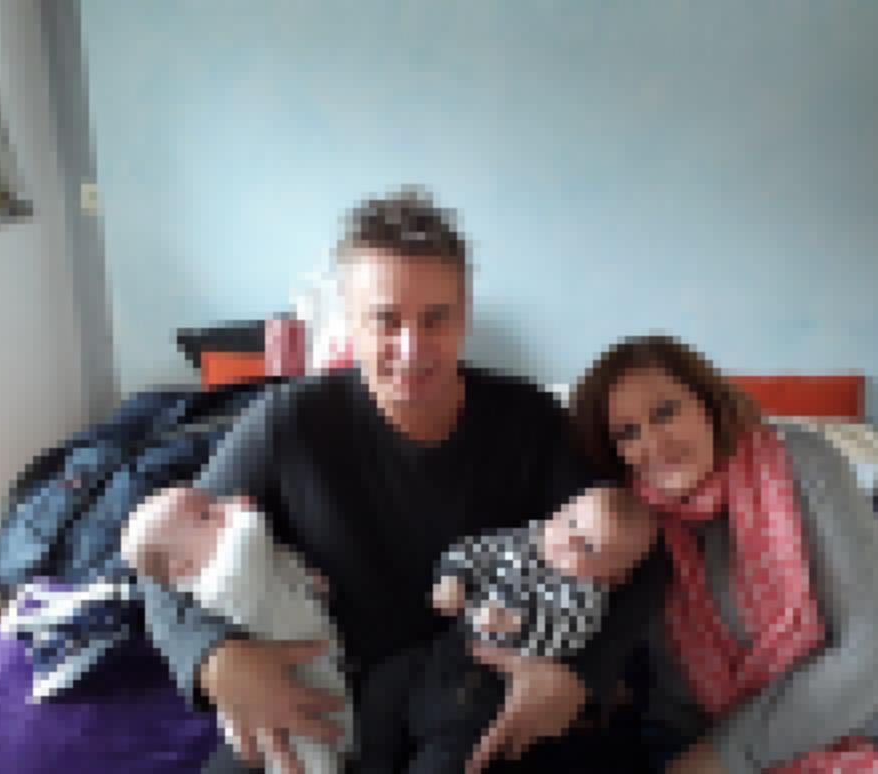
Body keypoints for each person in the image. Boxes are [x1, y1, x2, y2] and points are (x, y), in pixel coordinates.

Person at [133, 189, 664, 774]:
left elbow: (645, 556)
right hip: (320, 697)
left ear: (464, 315)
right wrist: (214, 660)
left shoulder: (532, 419)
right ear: (349, 321)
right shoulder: (286, 421)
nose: (412, 350)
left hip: (476, 701)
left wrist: (581, 676)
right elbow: (158, 560)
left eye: (436, 318)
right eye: (385, 320)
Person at [570, 334, 878, 774]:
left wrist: (724, 756)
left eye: (665, 412)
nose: (654, 444)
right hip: (698, 728)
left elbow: (875, 649)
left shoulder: (801, 461)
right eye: (628, 433)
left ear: (706, 401)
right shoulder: (620, 516)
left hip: (875, 714)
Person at [358, 485, 660, 774]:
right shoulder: (523, 540)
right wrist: (452, 580)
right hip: (445, 652)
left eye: (589, 546)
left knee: (455, 755)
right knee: (386, 682)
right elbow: (473, 551)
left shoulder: (586, 597)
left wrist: (517, 625)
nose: (569, 540)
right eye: (570, 522)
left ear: (614, 577)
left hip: (487, 690)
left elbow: (567, 637)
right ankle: (373, 764)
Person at [120, 494, 354, 774]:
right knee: (304, 750)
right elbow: (250, 547)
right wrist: (242, 513)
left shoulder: (221, 557)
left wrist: (305, 578)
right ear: (182, 568)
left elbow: (275, 562)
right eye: (206, 515)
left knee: (326, 721)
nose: (224, 506)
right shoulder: (217, 583)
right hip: (280, 681)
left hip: (302, 662)